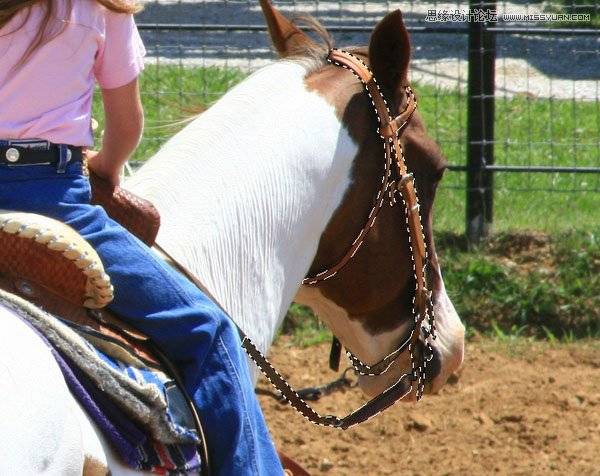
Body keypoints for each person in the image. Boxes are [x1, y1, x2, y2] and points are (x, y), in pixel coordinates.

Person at [0, 1, 283, 474]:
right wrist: (105, 169)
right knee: (208, 332)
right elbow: (126, 128)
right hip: (54, 202)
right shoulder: (97, 8)